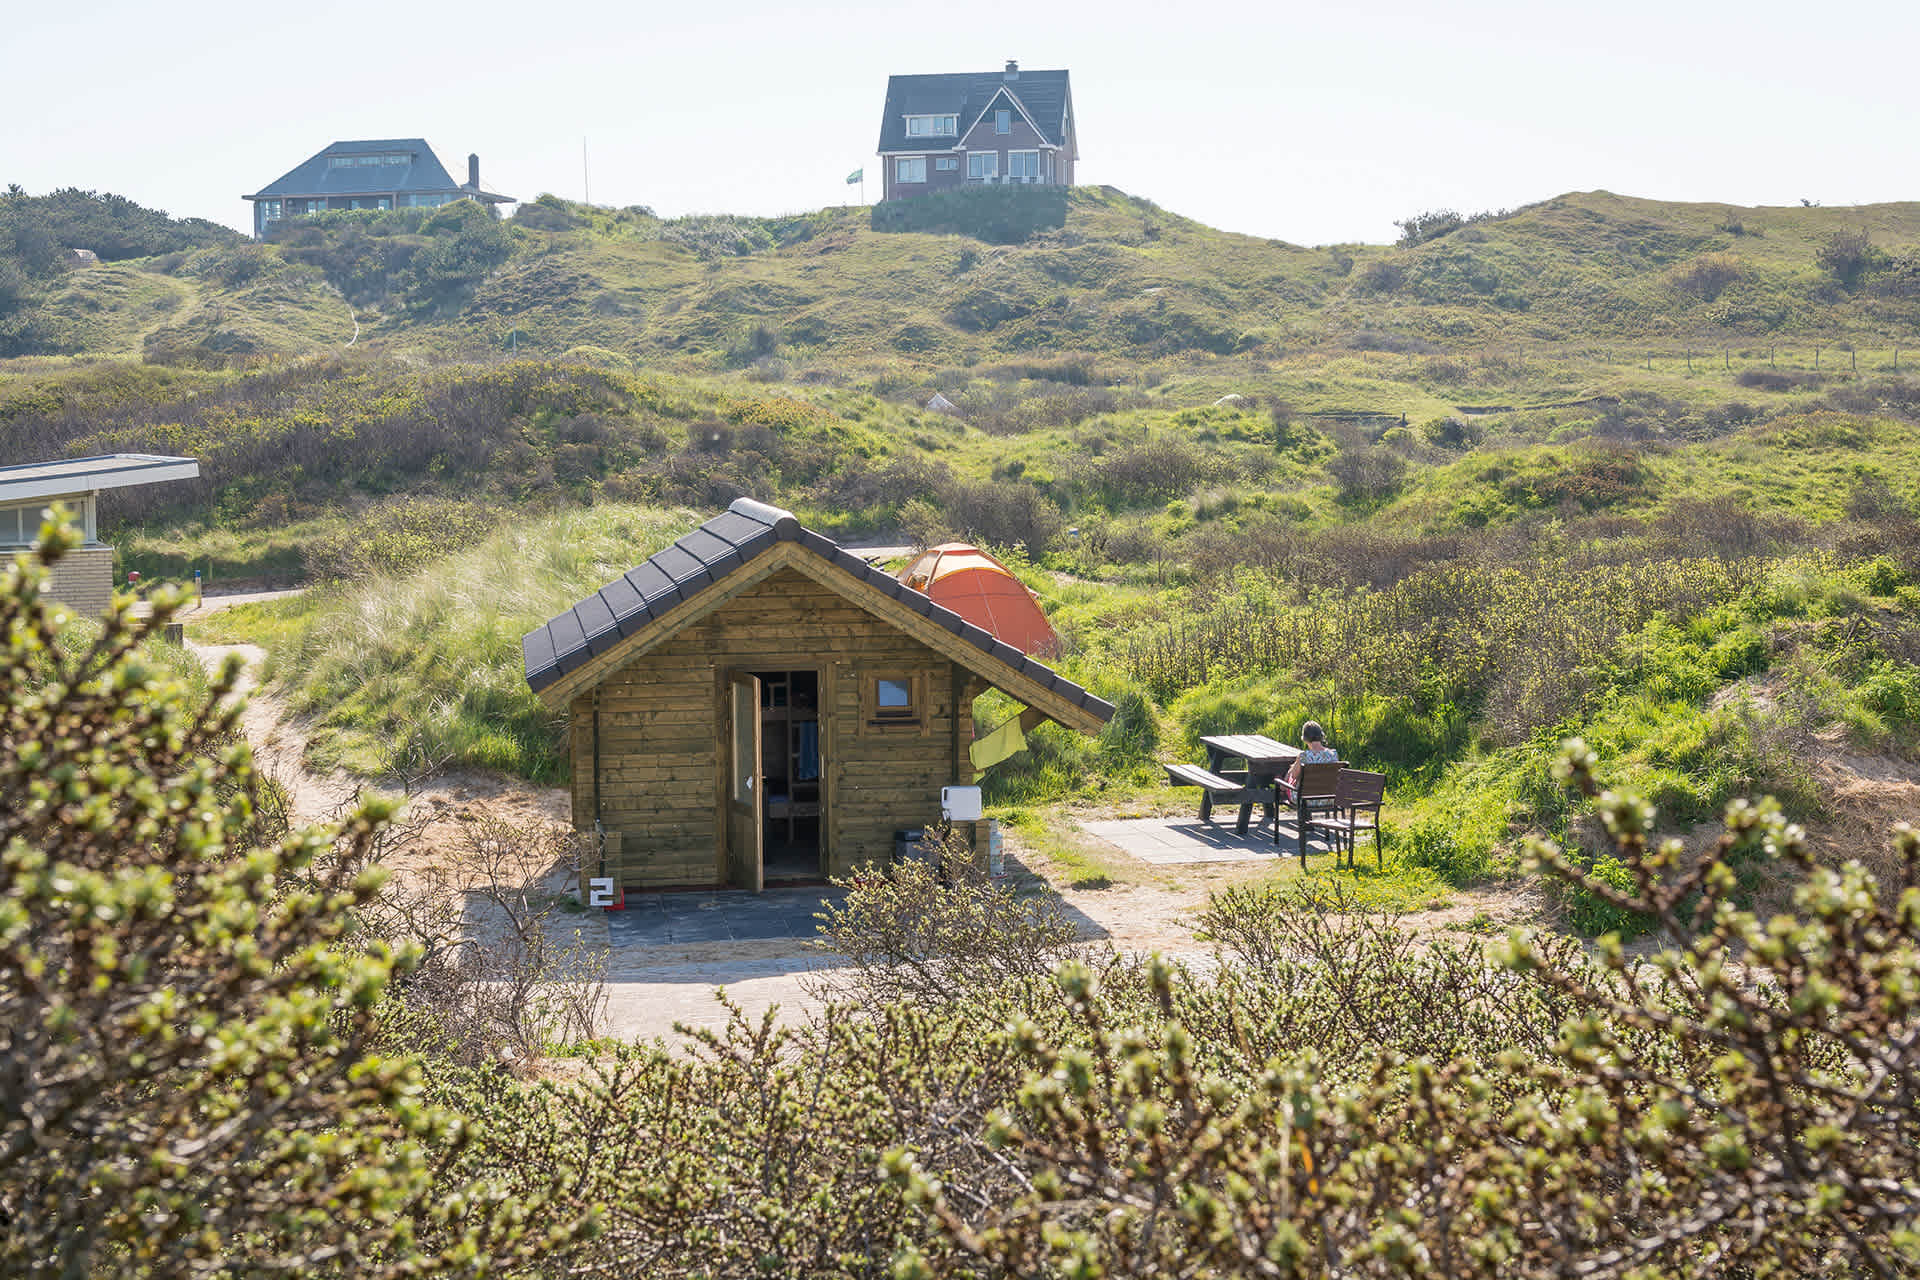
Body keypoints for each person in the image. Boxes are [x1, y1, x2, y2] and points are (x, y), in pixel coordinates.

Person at [1277, 721, 1339, 800]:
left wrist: (1293, 767)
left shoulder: (1304, 756)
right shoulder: (1333, 754)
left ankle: (1282, 787)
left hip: (1305, 800)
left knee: (1289, 776)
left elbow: (1293, 776)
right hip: (1328, 799)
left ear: (1305, 739)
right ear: (1321, 736)